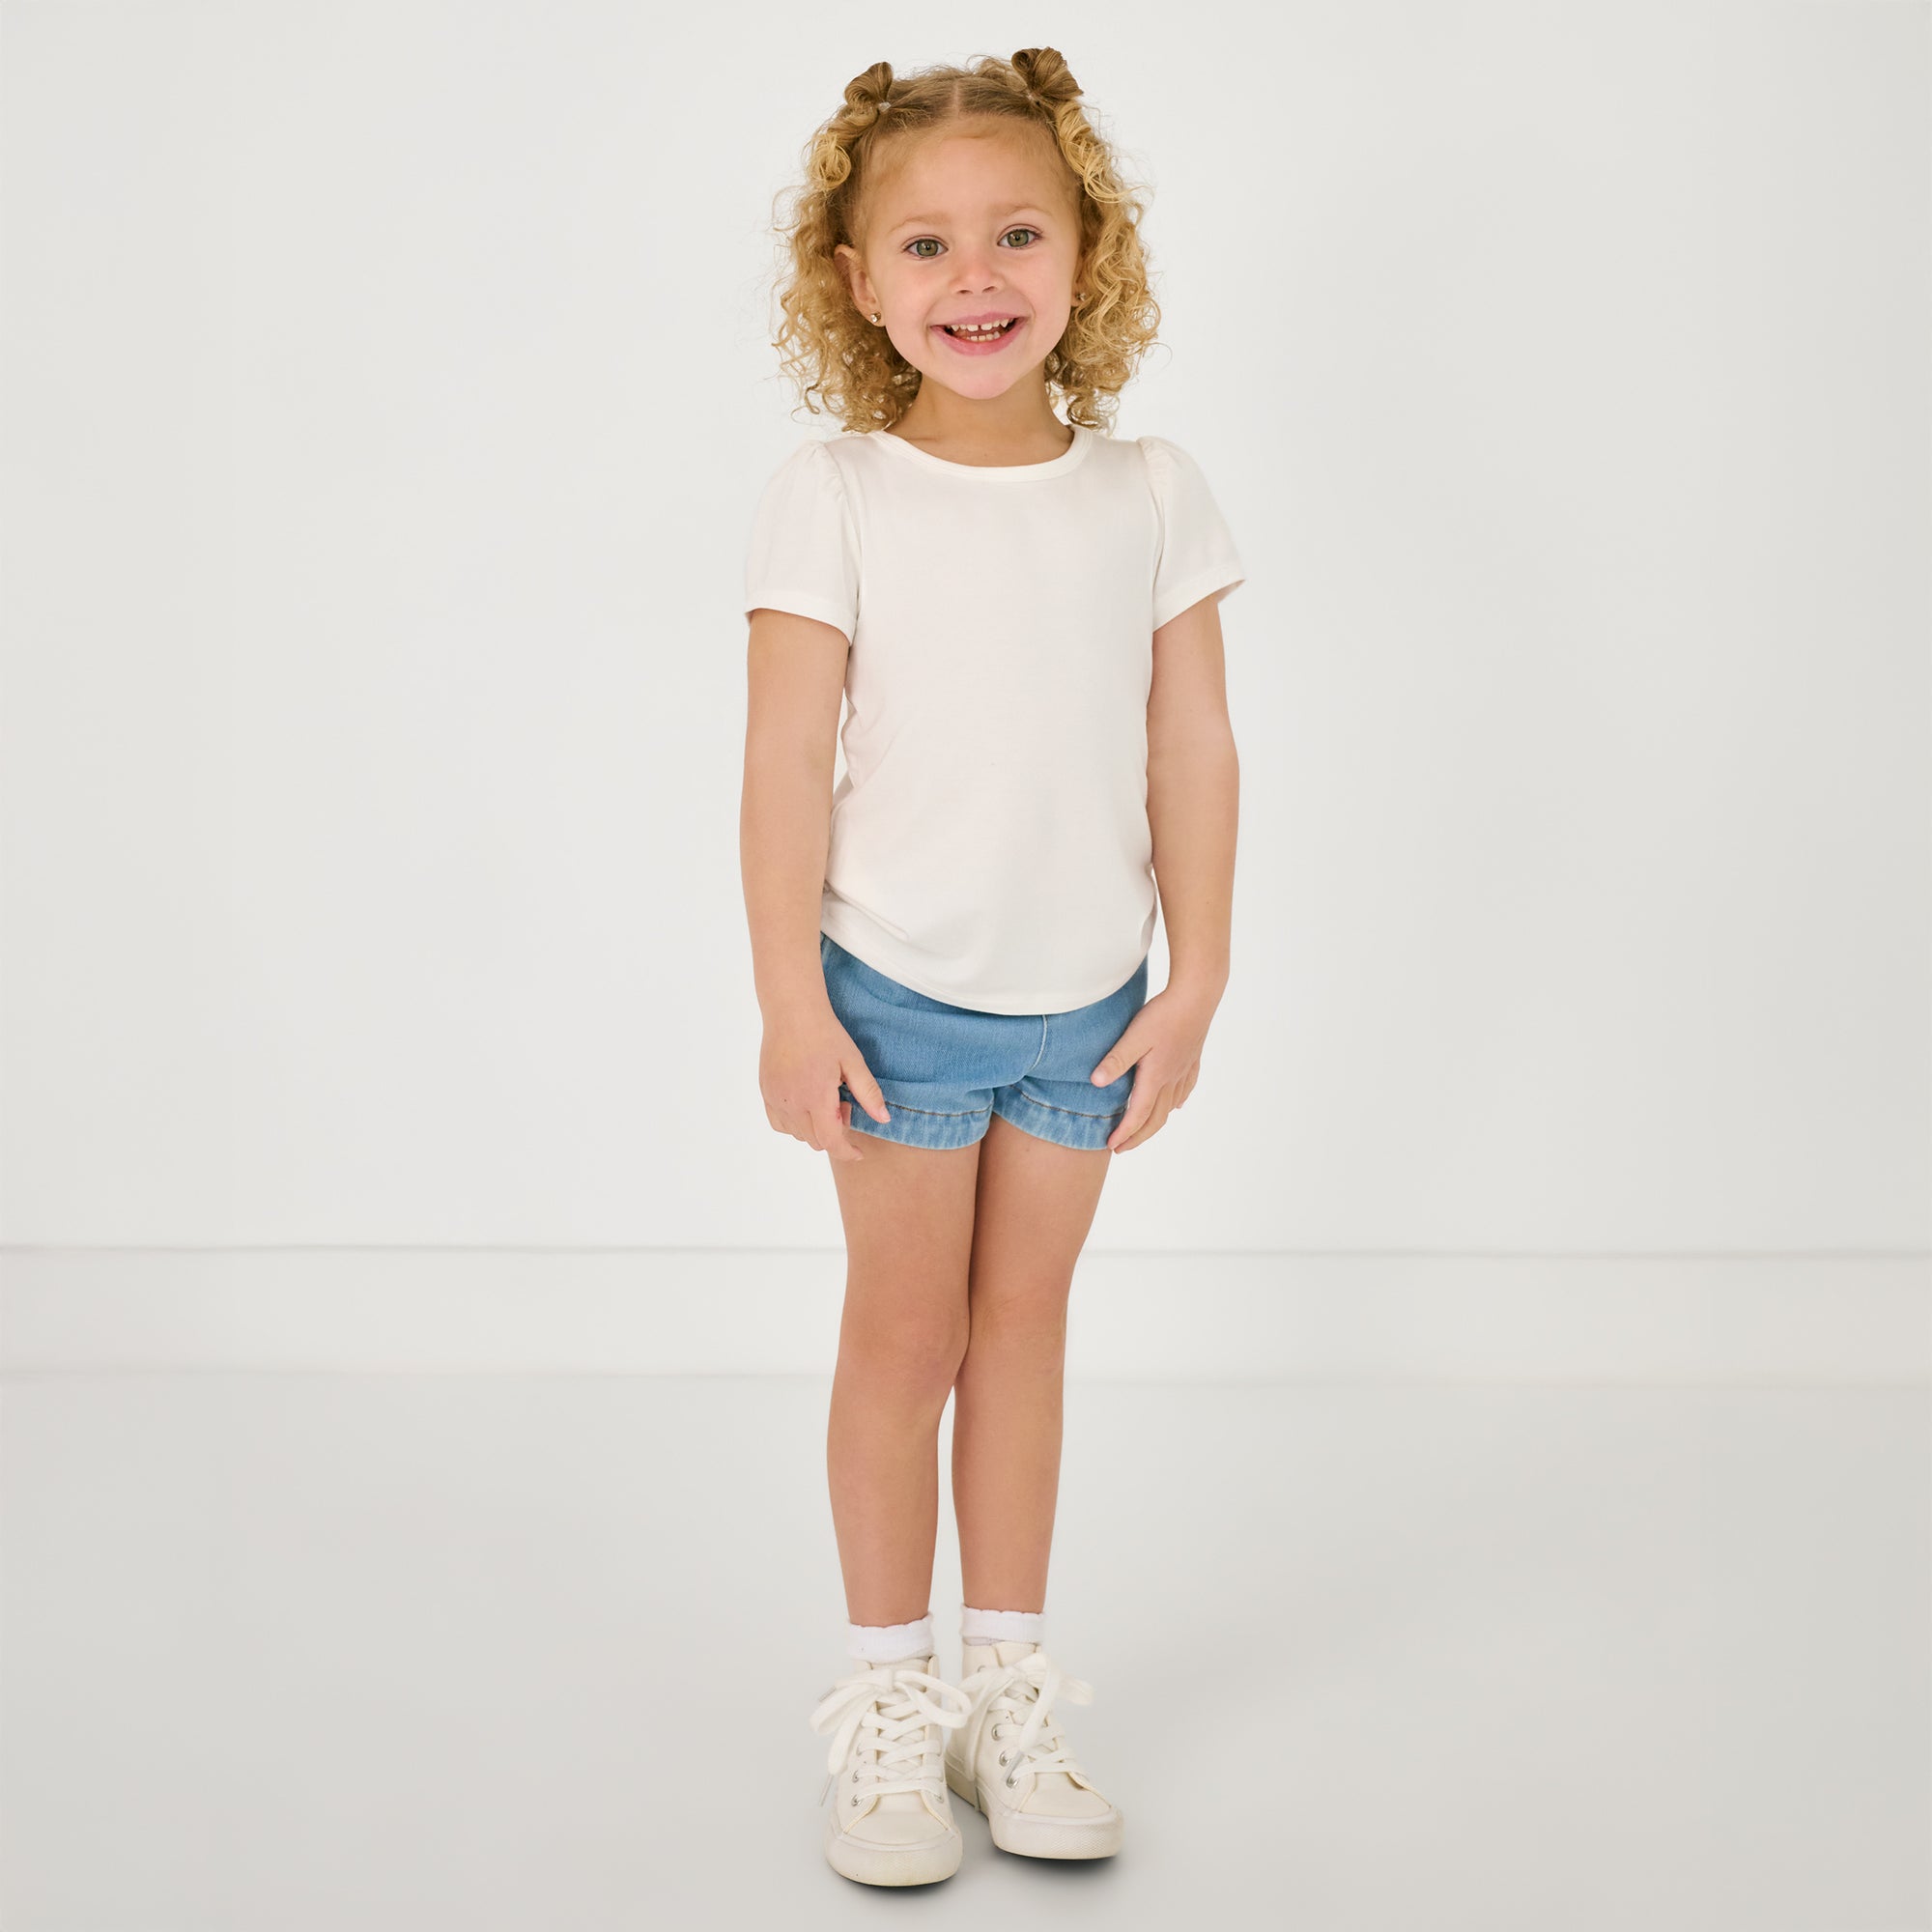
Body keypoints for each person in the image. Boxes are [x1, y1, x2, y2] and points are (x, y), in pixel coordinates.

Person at [740, 45, 1246, 1888]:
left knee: (1024, 1332)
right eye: (928, 242)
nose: (978, 277)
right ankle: (886, 1703)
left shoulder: (1152, 489)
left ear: (1085, 251)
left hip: (1089, 1005)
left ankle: (1004, 1692)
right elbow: (785, 760)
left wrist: (1189, 989)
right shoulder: (840, 490)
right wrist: (793, 1005)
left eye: (1017, 231)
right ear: (859, 282)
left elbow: (1194, 749)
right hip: (892, 1006)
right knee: (907, 1334)